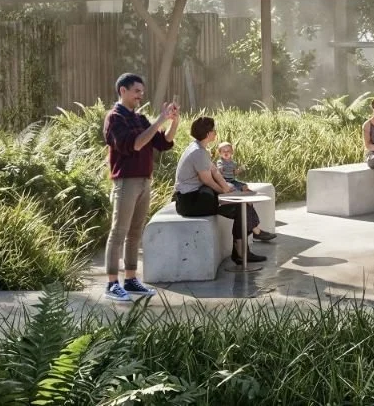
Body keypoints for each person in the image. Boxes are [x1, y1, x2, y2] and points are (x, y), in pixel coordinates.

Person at [101, 73, 177, 302]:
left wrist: (173, 121)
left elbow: (163, 143)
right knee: (118, 232)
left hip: (144, 181)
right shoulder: (114, 118)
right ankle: (112, 284)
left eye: (142, 92)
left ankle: (131, 279)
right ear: (122, 91)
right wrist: (159, 120)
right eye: (136, 91)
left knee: (135, 233)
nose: (140, 96)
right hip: (126, 182)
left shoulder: (140, 118)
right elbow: (135, 144)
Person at [175, 116, 269, 268]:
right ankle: (243, 250)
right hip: (190, 201)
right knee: (241, 207)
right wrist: (224, 192)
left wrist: (226, 188)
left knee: (243, 205)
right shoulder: (197, 152)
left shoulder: (200, 148)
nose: (215, 133)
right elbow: (207, 180)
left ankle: (244, 249)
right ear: (207, 134)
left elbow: (214, 172)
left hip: (199, 195)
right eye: (213, 130)